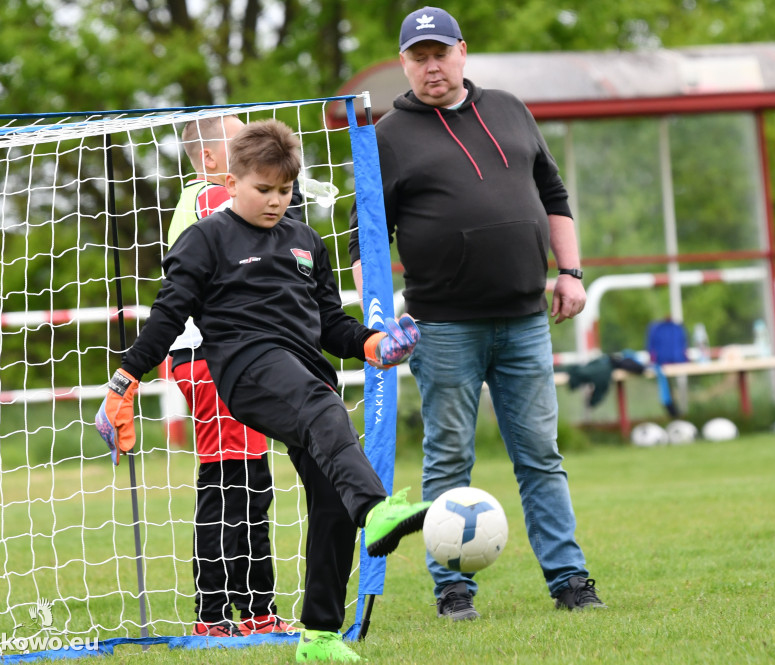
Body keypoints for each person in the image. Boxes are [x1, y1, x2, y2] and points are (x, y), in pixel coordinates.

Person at [97, 119, 429, 663]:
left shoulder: (307, 242)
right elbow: (167, 316)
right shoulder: (205, 239)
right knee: (325, 412)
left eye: (285, 190)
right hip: (245, 370)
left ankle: (320, 636)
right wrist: (125, 380)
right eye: (264, 189)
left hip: (306, 374)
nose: (276, 201)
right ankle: (376, 509)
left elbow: (331, 324)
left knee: (331, 491)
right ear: (231, 182)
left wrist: (373, 344)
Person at [349, 6, 605, 621]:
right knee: (448, 460)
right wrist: (379, 320)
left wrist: (570, 272)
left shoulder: (511, 109)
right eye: (418, 57)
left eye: (440, 53)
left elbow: (553, 195)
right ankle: (452, 589)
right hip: (442, 327)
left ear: (461, 51)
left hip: (525, 319)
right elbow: (366, 240)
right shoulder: (386, 137)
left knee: (541, 456)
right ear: (404, 64)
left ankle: (570, 581)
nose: (431, 66)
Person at [169, 115, 292, 637]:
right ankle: (218, 615)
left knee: (249, 482)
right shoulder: (209, 198)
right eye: (241, 142)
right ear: (213, 160)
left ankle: (252, 609)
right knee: (230, 486)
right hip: (212, 357)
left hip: (232, 355)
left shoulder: (208, 199)